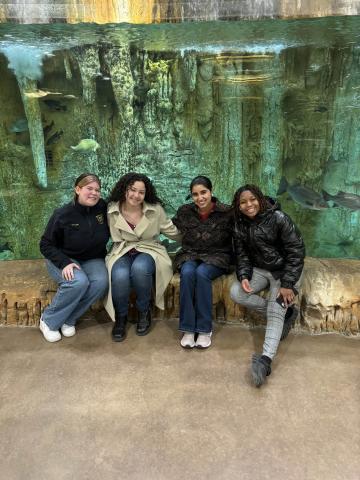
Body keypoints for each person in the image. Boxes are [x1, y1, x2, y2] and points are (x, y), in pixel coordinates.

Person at [230, 184, 305, 387]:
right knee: (236, 292)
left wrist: (288, 284)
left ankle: (265, 360)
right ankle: (285, 315)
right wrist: (244, 275)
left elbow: (296, 251)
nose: (248, 205)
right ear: (238, 206)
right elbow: (242, 255)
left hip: (286, 272)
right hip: (261, 270)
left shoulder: (279, 218)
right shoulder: (239, 224)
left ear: (260, 199)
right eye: (243, 202)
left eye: (252, 199)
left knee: (274, 309)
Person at [105, 172, 181, 342]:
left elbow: (171, 230)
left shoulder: (155, 209)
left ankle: (143, 312)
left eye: (141, 192)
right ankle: (121, 318)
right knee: (119, 275)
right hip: (122, 250)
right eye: (132, 190)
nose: (136, 195)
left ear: (146, 194)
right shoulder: (112, 209)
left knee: (140, 269)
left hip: (149, 248)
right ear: (125, 189)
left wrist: (194, 238)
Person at [39, 173, 109, 342]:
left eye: (97, 190)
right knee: (78, 282)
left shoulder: (103, 208)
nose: (94, 193)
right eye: (89, 189)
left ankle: (69, 318)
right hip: (64, 258)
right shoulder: (62, 214)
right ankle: (48, 320)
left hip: (93, 258)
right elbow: (45, 244)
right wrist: (64, 263)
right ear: (77, 189)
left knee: (101, 282)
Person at [172, 176, 233, 349]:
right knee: (188, 272)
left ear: (211, 191)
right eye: (195, 194)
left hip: (218, 255)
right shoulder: (185, 211)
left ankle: (205, 329)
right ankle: (188, 329)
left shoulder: (226, 212)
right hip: (190, 254)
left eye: (203, 192)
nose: (200, 198)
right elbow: (168, 227)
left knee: (202, 273)